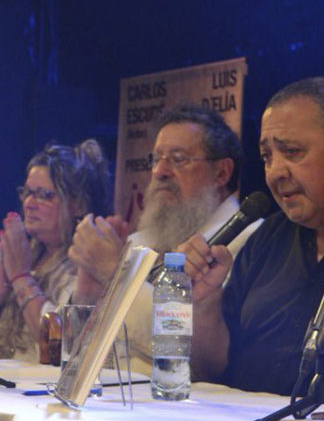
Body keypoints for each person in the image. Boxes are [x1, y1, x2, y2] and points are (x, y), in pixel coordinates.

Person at [180, 77, 324, 395]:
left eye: (292, 152)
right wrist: (205, 303)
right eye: (267, 157)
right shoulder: (266, 237)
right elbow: (210, 370)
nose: (275, 172)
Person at [68, 105, 260, 375]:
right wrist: (88, 288)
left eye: (178, 159)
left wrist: (115, 274)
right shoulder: (138, 242)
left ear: (221, 173)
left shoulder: (250, 244)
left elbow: (193, 357)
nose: (160, 171)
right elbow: (78, 351)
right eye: (156, 159)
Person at [0, 139, 111, 362]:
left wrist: (20, 278)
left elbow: (61, 347)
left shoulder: (85, 264)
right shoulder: (19, 252)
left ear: (78, 204)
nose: (29, 203)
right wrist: (0, 285)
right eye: (27, 193)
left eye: (44, 195)